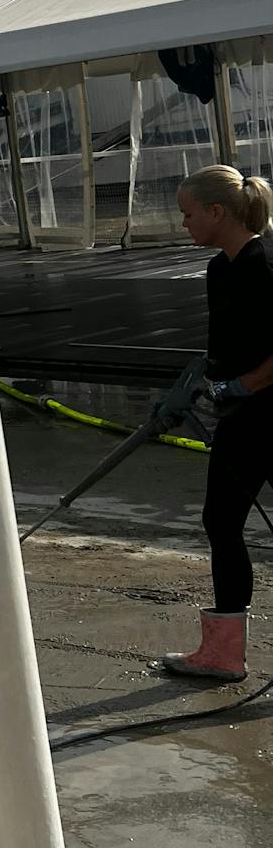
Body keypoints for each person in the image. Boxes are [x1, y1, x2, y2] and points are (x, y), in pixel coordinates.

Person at [162, 163, 273, 680]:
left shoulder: (264, 263)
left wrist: (242, 386)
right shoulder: (221, 269)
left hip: (268, 414)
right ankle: (224, 652)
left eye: (188, 214)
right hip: (242, 417)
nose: (183, 223)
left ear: (216, 211)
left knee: (223, 522)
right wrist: (195, 384)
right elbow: (224, 345)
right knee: (221, 522)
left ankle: (225, 652)